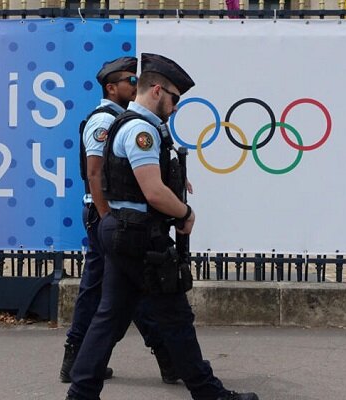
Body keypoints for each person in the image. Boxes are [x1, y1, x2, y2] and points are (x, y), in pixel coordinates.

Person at [65, 53, 259, 400]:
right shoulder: (142, 131)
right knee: (175, 317)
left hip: (124, 230)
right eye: (174, 99)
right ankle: (210, 393)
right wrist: (186, 213)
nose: (174, 107)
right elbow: (154, 192)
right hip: (140, 235)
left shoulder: (126, 123)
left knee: (108, 318)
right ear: (157, 90)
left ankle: (81, 393)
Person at [60, 56, 179, 385]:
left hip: (117, 218)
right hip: (109, 217)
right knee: (111, 291)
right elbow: (95, 173)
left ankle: (81, 363)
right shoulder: (104, 121)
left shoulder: (129, 119)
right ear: (112, 88)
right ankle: (77, 358)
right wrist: (106, 219)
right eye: (129, 80)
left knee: (120, 293)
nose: (133, 84)